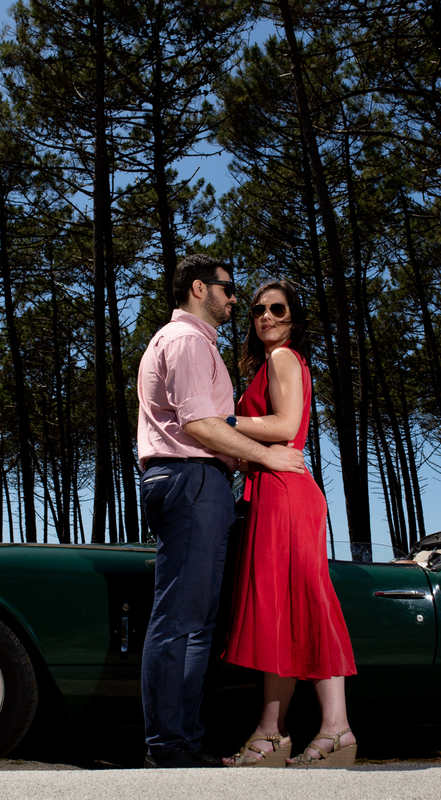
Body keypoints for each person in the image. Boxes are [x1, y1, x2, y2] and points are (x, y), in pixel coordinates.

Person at [136, 255, 307, 769]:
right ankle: (168, 746)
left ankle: (184, 741)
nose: (235, 299)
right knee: (179, 621)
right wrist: (267, 454)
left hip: (199, 483)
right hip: (189, 479)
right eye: (228, 290)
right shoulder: (187, 341)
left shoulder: (197, 344)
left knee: (197, 623)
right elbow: (200, 425)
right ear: (198, 289)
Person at [220, 279, 357, 768]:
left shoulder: (282, 358)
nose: (265, 316)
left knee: (305, 602)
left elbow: (284, 424)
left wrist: (224, 422)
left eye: (277, 309)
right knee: (281, 610)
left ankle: (335, 729)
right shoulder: (274, 362)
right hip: (274, 492)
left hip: (285, 493)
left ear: (294, 317)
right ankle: (271, 732)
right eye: (257, 309)